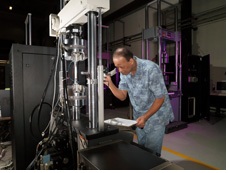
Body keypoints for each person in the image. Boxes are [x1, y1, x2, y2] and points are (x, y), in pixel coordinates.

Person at [104, 47, 174, 156]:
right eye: (117, 67)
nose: (119, 71)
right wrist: (110, 84)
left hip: (156, 117)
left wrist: (145, 117)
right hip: (139, 117)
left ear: (131, 61)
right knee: (142, 149)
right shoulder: (124, 72)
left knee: (152, 153)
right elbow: (122, 96)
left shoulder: (150, 69)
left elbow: (160, 98)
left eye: (121, 67)